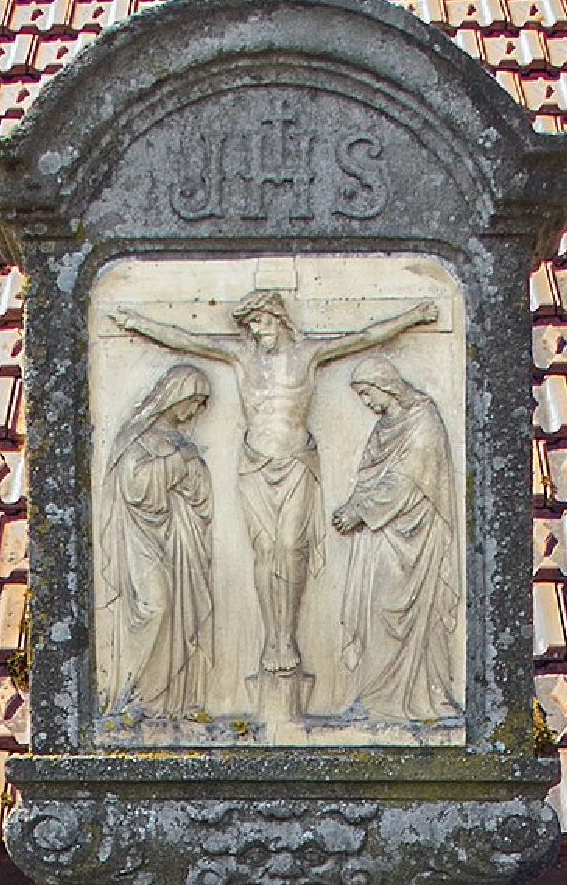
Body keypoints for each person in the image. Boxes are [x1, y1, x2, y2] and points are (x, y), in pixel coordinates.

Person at [108, 285, 439, 703]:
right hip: (254, 465)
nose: (257, 332)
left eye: (262, 323)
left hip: (297, 461)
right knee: (266, 551)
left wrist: (414, 316)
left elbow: (365, 336)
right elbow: (187, 340)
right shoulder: (241, 356)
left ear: (279, 318)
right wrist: (137, 323)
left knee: (291, 548)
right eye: (251, 326)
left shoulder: (308, 355)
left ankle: (288, 639)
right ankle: (271, 642)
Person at [331, 355, 460, 721]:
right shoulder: (383, 428)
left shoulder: (424, 419)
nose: (366, 402)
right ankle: (374, 697)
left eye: (367, 393)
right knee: (376, 613)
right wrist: (353, 505)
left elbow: (408, 478)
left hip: (415, 534)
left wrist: (360, 511)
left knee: (411, 612)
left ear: (385, 386)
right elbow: (369, 477)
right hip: (380, 536)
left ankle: (424, 698)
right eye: (361, 396)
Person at [97, 361, 213, 716]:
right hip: (141, 538)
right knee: (155, 606)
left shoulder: (181, 442)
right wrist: (178, 463)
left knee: (180, 612)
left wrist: (193, 474)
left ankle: (170, 701)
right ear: (176, 397)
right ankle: (133, 693)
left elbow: (200, 494)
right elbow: (135, 486)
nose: (195, 411)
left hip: (181, 540)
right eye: (194, 402)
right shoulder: (137, 437)